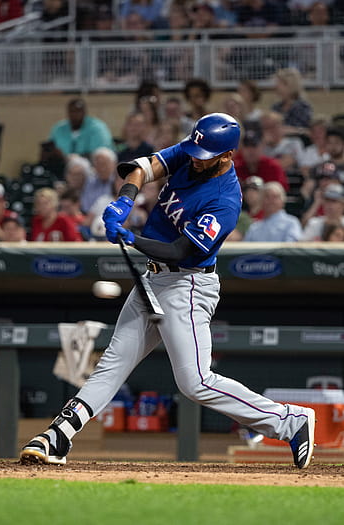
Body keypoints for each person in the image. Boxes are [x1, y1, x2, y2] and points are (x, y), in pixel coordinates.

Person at [20, 113, 315, 470]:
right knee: (112, 363)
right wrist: (125, 202)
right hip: (153, 278)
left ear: (227, 156)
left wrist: (132, 237)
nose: (195, 158)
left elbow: (180, 251)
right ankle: (59, 435)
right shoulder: (191, 153)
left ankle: (289, 420)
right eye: (194, 150)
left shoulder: (225, 200)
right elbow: (141, 169)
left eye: (204, 155)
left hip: (188, 285)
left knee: (195, 382)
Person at [49, 98, 115, 158]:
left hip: (92, 166)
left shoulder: (98, 128)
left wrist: (74, 158)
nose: (75, 115)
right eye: (72, 111)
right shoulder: (59, 129)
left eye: (78, 111)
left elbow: (101, 154)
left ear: (84, 112)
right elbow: (49, 148)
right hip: (62, 166)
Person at [234, 126, 289, 191]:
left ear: (262, 147)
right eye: (247, 146)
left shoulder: (272, 166)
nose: (250, 150)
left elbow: (282, 190)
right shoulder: (235, 167)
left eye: (254, 146)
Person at [271, 68, 313, 136]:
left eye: (279, 83)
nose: (276, 87)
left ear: (290, 85)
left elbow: (306, 131)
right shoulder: (275, 107)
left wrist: (284, 130)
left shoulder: (302, 107)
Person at [80, 147, 118, 214]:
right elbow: (85, 206)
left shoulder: (118, 182)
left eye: (104, 164)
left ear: (114, 165)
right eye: (98, 164)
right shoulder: (90, 182)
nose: (101, 168)